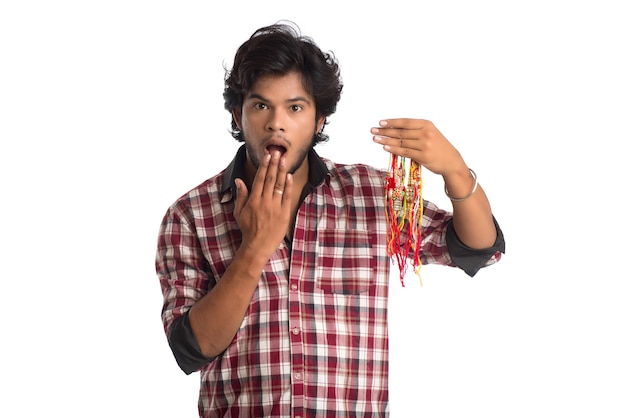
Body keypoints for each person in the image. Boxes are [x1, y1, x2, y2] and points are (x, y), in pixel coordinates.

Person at [155, 21, 505, 418]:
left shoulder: (370, 195)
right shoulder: (190, 215)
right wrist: (253, 250)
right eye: (260, 105)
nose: (276, 122)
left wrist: (455, 170)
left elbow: (479, 249)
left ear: (319, 120)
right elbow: (190, 348)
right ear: (238, 115)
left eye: (295, 107)